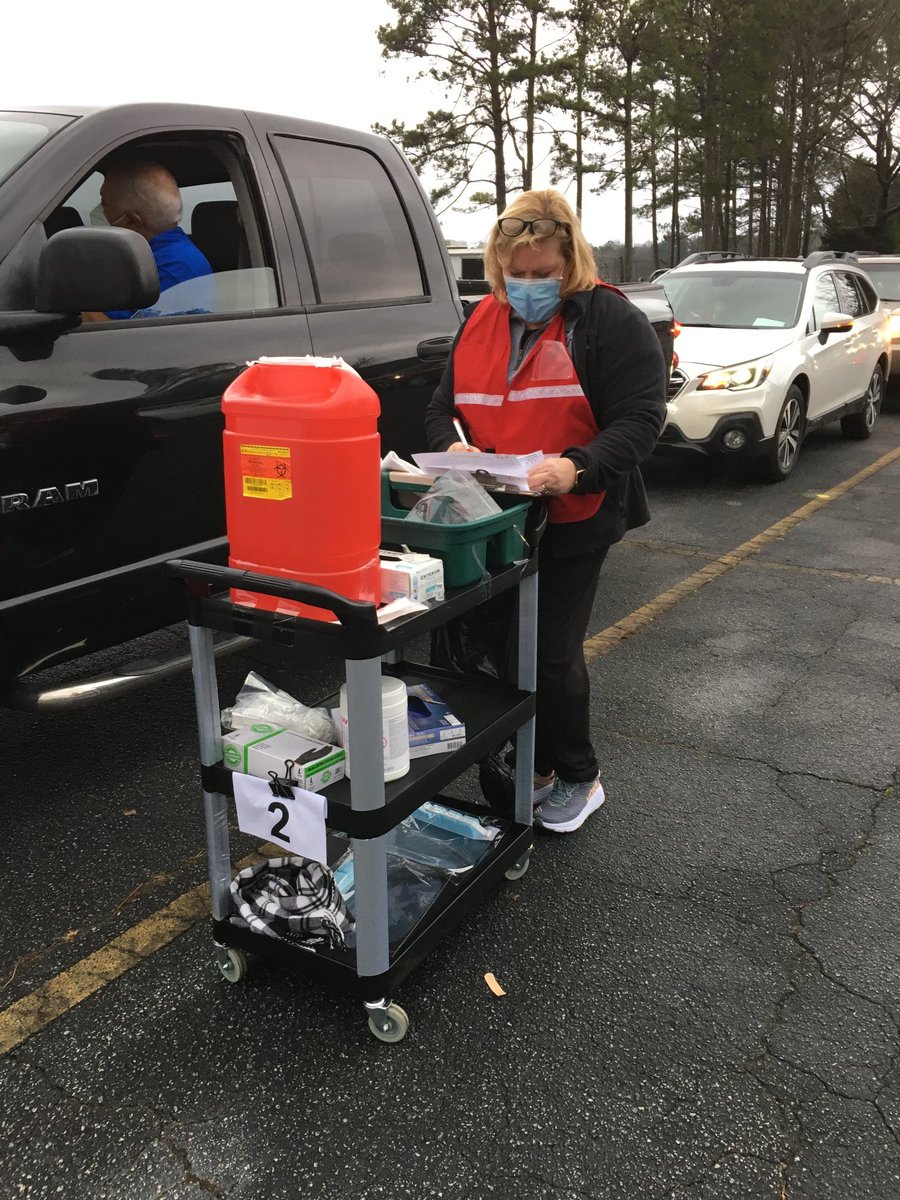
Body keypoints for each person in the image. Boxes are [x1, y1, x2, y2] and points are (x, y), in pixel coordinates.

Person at [425, 189, 667, 834]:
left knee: (551, 654)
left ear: (571, 259)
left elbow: (643, 418)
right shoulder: (479, 318)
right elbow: (441, 405)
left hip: (573, 513)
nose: (528, 285)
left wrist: (575, 464)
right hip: (492, 516)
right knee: (501, 647)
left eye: (542, 273)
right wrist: (453, 444)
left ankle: (579, 776)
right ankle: (535, 767)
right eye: (515, 273)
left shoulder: (609, 321)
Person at [86, 160, 212, 320]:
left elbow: (111, 332)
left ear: (132, 221)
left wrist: (65, 296)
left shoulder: (174, 269)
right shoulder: (152, 253)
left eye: (104, 203)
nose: (100, 211)